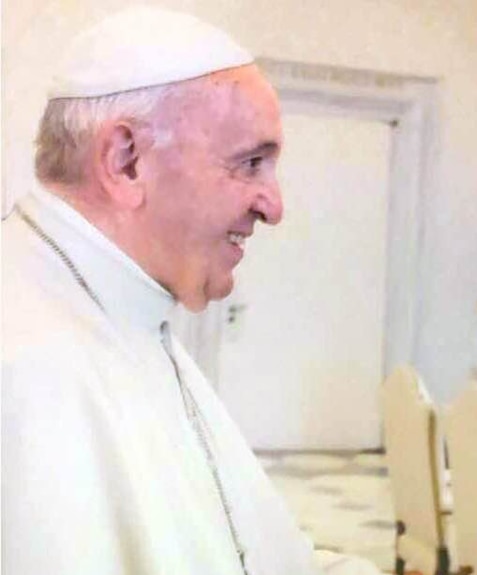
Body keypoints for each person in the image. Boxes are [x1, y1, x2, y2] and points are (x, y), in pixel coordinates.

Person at [1, 7, 379, 575]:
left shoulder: (127, 311)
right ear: (126, 161)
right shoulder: (24, 364)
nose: (273, 207)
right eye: (250, 163)